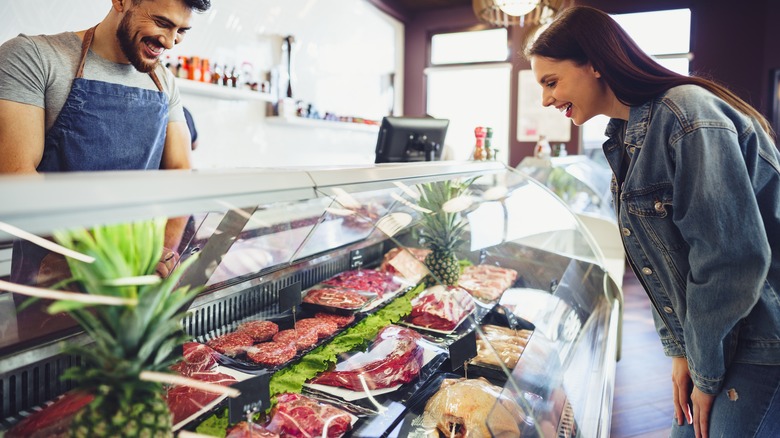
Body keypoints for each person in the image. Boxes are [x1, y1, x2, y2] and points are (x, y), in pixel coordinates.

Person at [526, 6, 780, 438]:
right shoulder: (623, 136)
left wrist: (705, 371)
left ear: (594, 64)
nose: (546, 99)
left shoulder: (685, 115)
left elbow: (730, 260)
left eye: (551, 82)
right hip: (715, 342)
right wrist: (682, 351)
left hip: (758, 339)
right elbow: (660, 266)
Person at [0, 0, 211, 283]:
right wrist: (124, 256)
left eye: (182, 30)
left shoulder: (164, 81)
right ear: (121, 1)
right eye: (162, 22)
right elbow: (15, 176)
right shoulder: (33, 57)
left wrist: (163, 254)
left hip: (139, 278)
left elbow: (180, 173)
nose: (171, 42)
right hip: (55, 282)